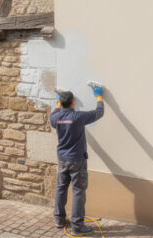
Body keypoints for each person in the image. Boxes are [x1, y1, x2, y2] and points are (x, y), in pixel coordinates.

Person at [49, 81, 105, 237]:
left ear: (61, 102)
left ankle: (59, 220)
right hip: (77, 161)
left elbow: (57, 109)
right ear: (73, 102)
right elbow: (99, 112)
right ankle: (77, 226)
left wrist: (59, 99)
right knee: (78, 191)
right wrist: (99, 96)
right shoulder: (79, 117)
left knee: (61, 188)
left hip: (62, 159)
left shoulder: (54, 118)